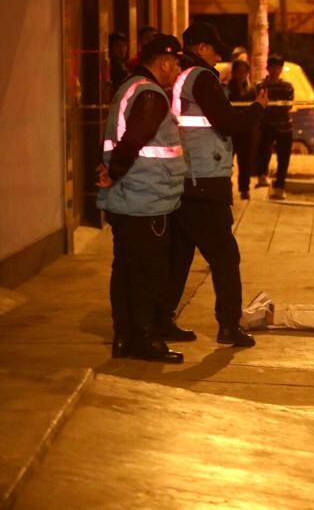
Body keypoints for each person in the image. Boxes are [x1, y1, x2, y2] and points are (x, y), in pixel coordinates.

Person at [163, 22, 267, 348]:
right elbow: (227, 122)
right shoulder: (202, 77)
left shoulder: (182, 76)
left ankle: (160, 320)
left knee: (179, 257)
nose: (218, 57)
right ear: (201, 47)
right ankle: (229, 326)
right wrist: (258, 108)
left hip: (186, 177)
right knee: (225, 256)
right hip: (205, 180)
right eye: (214, 50)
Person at [97, 34, 187, 363]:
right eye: (176, 65)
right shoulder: (151, 95)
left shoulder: (129, 86)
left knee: (126, 270)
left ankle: (125, 337)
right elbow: (133, 141)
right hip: (145, 198)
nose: (177, 71)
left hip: (128, 197)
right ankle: (145, 339)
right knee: (148, 272)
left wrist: (111, 172)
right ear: (163, 63)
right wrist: (115, 171)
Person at [256, 53, 295, 199]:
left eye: (278, 67)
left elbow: (288, 105)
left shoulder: (287, 87)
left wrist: (272, 107)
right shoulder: (261, 86)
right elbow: (260, 105)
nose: (275, 70)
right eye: (273, 67)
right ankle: (262, 175)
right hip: (267, 126)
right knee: (264, 151)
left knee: (283, 158)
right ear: (268, 68)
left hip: (285, 127)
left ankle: (279, 187)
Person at [227, 58, 259, 200]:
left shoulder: (251, 90)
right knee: (227, 161)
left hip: (246, 130)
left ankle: (244, 188)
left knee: (245, 160)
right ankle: (227, 186)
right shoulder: (227, 89)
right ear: (233, 73)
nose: (241, 75)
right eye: (238, 72)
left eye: (244, 72)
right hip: (231, 130)